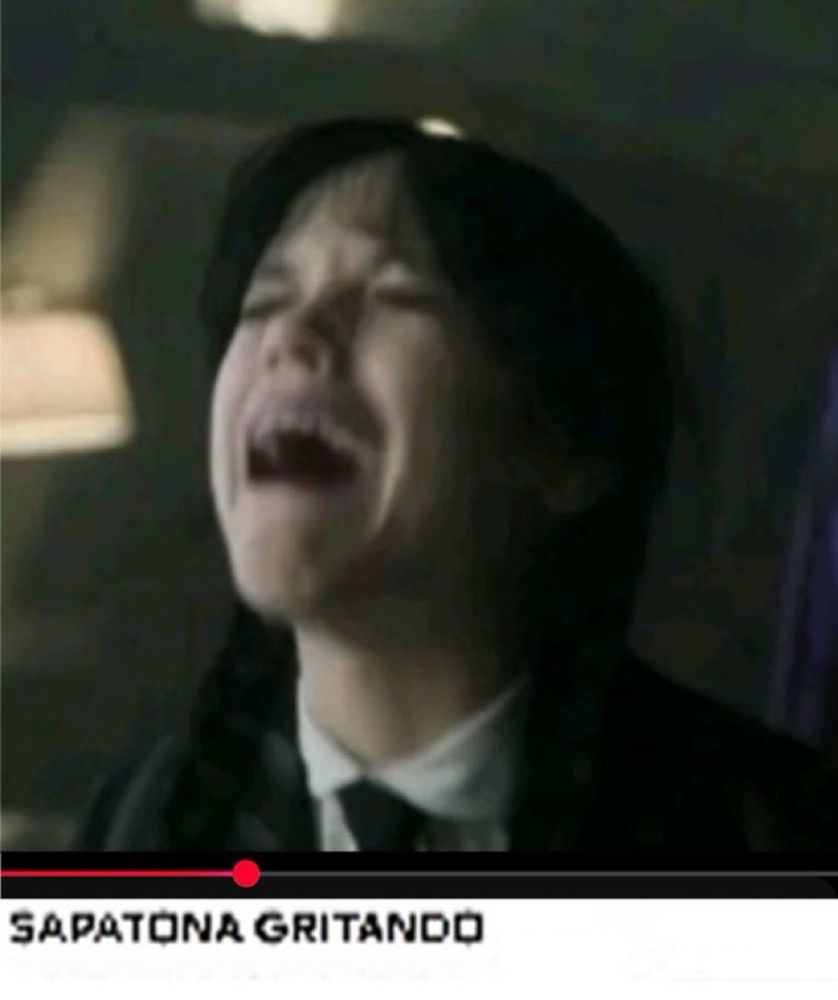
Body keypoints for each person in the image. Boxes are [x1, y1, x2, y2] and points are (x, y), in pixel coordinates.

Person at [77, 118, 837, 852]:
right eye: (264, 302)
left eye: (394, 294)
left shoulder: (767, 833)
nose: (290, 336)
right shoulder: (142, 828)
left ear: (565, 449)